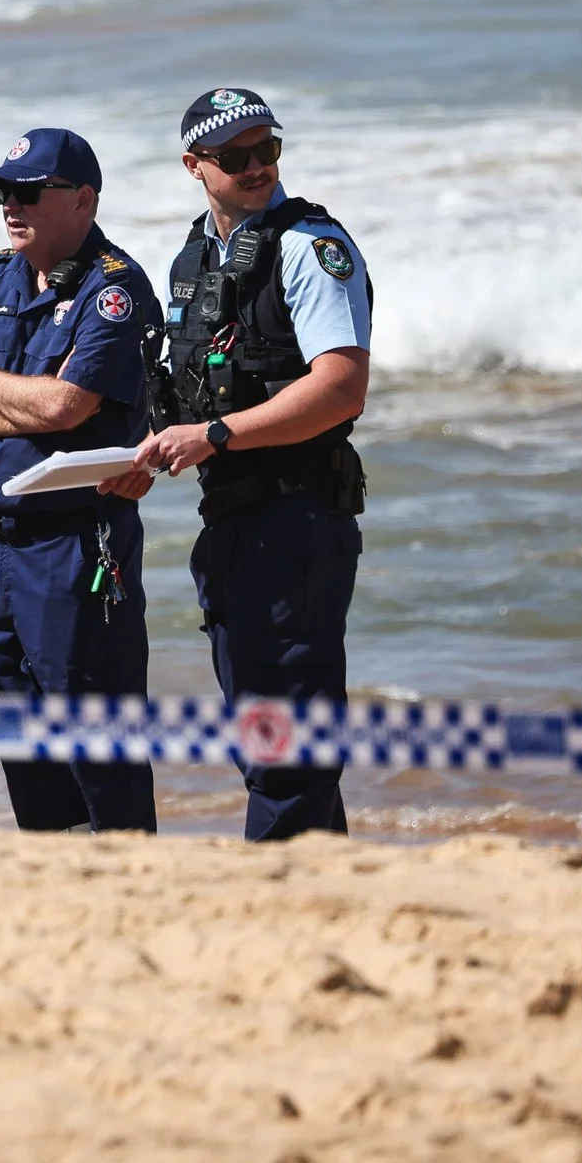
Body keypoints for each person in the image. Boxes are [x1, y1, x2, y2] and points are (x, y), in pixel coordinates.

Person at [125, 89, 371, 841]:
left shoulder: (310, 247)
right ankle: (327, 880)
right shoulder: (193, 260)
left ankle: (281, 886)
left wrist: (218, 434)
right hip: (233, 523)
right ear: (194, 166)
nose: (258, 165)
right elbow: (188, 398)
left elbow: (341, 388)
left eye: (269, 149)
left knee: (284, 745)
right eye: (236, 156)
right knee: (263, 734)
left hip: (299, 518)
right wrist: (147, 453)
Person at [0, 128, 158, 834]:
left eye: (28, 192)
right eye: (3, 192)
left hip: (76, 544)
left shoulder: (114, 287)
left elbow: (65, 407)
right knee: (22, 739)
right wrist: (27, 404)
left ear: (83, 200)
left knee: (94, 739)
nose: (10, 205)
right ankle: (52, 871)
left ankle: (126, 874)